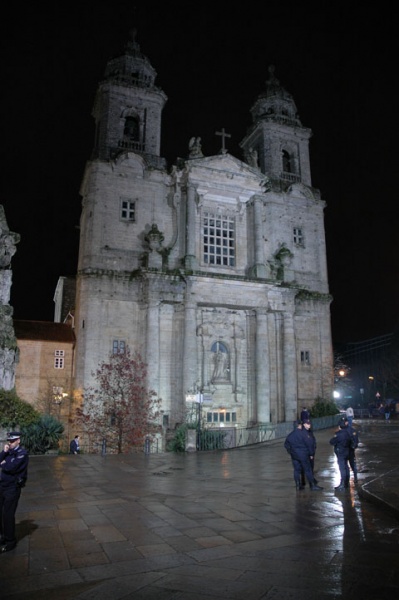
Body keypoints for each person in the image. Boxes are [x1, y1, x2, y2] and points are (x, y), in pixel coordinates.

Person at [0, 431, 29, 552]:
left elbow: (12, 467)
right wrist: (4, 453)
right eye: (9, 441)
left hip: (12, 487)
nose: (10, 443)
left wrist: (4, 464)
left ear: (18, 441)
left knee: (8, 515)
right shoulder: (9, 452)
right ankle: (3, 536)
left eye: (12, 441)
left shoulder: (22, 453)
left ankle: (10, 541)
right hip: (2, 485)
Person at [284, 420, 323, 491]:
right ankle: (312, 485)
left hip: (294, 456)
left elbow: (286, 445)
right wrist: (311, 454)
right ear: (299, 425)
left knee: (296, 470)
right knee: (308, 470)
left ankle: (298, 485)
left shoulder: (290, 435)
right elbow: (309, 444)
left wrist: (291, 452)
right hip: (304, 455)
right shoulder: (303, 434)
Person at [329, 418, 352, 491]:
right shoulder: (348, 433)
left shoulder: (339, 434)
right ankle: (346, 483)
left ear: (340, 426)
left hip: (341, 452)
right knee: (346, 467)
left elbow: (332, 442)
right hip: (347, 451)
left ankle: (342, 485)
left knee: (342, 468)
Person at [302, 419, 318, 486]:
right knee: (305, 468)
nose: (309, 425)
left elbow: (313, 441)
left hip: (311, 452)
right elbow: (306, 444)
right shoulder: (303, 433)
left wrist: (314, 448)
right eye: (308, 424)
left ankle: (311, 479)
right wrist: (310, 453)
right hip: (306, 453)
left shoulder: (310, 432)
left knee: (311, 467)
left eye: (309, 424)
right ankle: (305, 481)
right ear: (304, 424)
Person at [344, 416, 359, 483]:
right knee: (352, 464)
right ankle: (354, 477)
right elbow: (356, 441)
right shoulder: (352, 430)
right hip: (350, 450)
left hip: (348, 450)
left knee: (348, 465)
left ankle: (348, 479)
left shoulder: (345, 431)